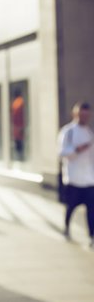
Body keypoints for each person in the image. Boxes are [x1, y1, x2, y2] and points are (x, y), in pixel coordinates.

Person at [58, 102, 94, 245]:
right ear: (75, 114)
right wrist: (79, 149)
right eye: (81, 114)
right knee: (71, 207)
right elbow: (62, 152)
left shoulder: (90, 133)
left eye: (87, 115)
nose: (84, 117)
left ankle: (92, 235)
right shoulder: (68, 131)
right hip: (73, 178)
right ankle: (66, 227)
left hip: (89, 179)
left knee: (91, 210)